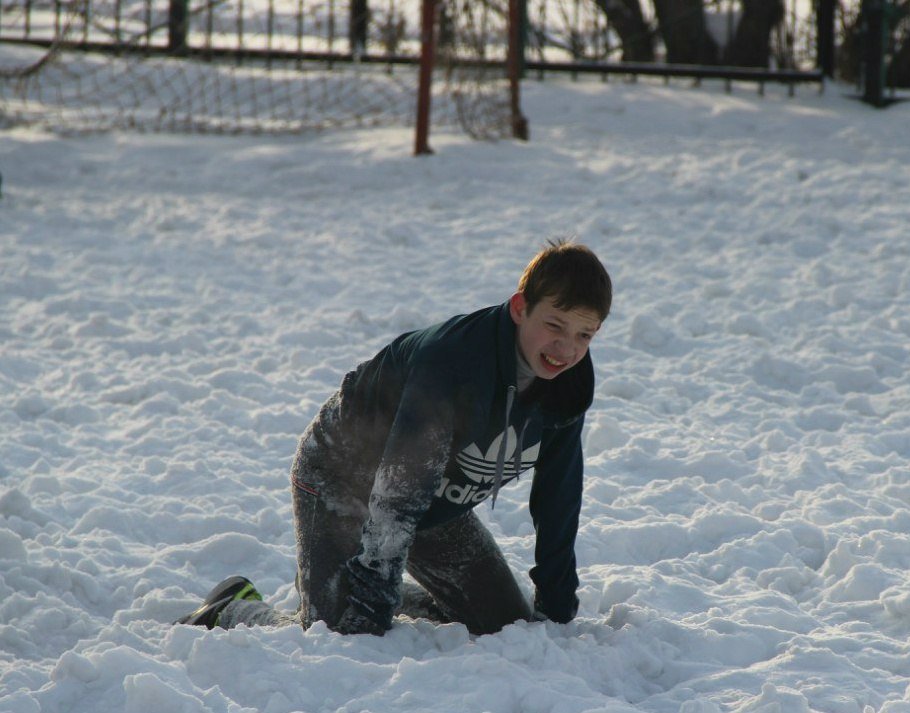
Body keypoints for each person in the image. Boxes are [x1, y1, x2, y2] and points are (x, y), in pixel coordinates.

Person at [176, 240, 612, 637]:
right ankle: (234, 607)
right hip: (342, 480)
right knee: (345, 634)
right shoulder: (452, 364)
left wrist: (557, 607)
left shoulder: (566, 386)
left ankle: (334, 583)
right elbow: (397, 497)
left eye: (584, 335)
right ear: (520, 307)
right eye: (555, 325)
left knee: (505, 627)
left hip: (432, 503)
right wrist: (371, 603)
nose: (566, 348)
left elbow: (558, 498)